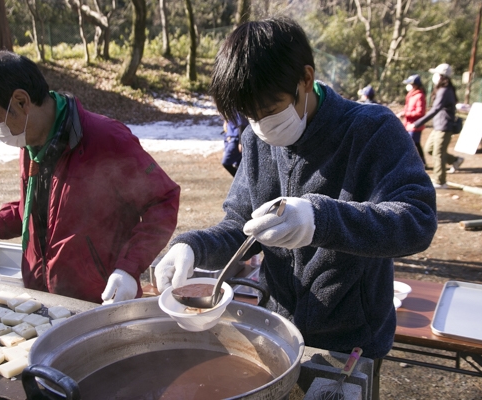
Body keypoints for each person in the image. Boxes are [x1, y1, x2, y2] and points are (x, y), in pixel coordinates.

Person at [154, 18, 437, 398]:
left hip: (350, 340)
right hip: (278, 328)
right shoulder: (258, 140)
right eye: (249, 117)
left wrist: (319, 219)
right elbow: (243, 225)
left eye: (270, 109)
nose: (261, 126)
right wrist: (191, 246)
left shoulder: (371, 130)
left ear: (306, 78)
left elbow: (416, 219)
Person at [0, 51, 180, 304]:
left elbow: (162, 201)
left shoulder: (105, 138)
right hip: (45, 301)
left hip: (102, 302)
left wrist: (128, 268)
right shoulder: (30, 142)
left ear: (21, 101)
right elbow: (40, 209)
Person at [408, 63, 464, 189]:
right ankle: (455, 160)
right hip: (438, 126)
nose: (434, 77)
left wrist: (416, 124)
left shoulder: (444, 91)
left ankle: (440, 181)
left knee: (438, 153)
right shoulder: (442, 89)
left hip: (444, 126)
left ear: (442, 76)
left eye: (436, 74)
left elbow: (435, 109)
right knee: (430, 148)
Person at [397, 74, 427, 167]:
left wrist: (406, 114)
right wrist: (404, 112)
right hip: (408, 124)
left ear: (415, 85)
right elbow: (409, 108)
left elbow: (420, 112)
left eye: (410, 83)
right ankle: (422, 162)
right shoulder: (411, 95)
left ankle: (419, 163)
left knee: (412, 144)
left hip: (415, 125)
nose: (408, 85)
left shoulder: (419, 96)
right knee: (414, 144)